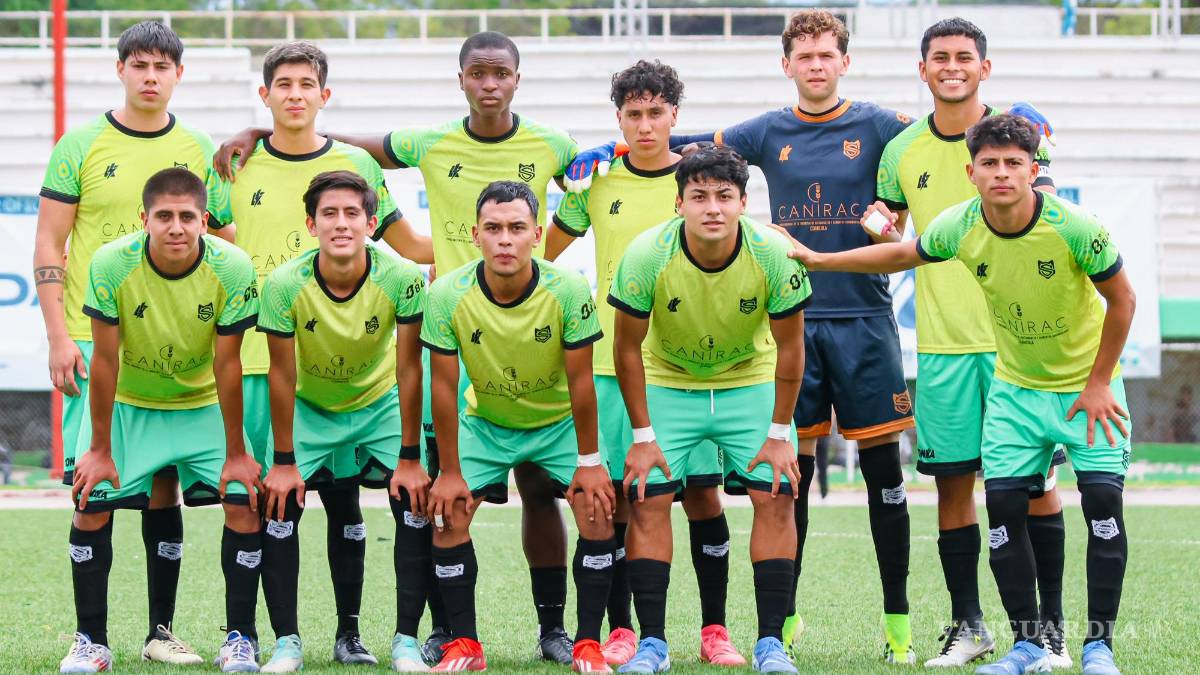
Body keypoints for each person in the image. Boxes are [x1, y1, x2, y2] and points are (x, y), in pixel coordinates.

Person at [215, 32, 582, 663]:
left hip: (504, 330)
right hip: (406, 341)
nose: (489, 83)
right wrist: (260, 131)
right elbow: (352, 146)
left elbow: (600, 178)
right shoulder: (425, 142)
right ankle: (419, 631)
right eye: (477, 73)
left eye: (500, 73)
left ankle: (532, 629)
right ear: (460, 79)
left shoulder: (555, 144)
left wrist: (526, 253)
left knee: (517, 487)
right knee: (414, 491)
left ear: (517, 79)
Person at [566, 11, 917, 661]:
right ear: (787, 64)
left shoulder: (876, 129)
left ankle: (851, 631)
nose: (816, 65)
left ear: (846, 61)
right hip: (726, 354)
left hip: (840, 329)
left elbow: (953, 135)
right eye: (804, 55)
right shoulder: (758, 138)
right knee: (708, 488)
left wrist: (1009, 133)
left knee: (840, 482)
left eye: (827, 54)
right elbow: (677, 140)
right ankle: (714, 635)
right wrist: (614, 149)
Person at [789, 114, 1135, 675]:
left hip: (1087, 390)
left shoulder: (1074, 226)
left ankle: (1098, 648)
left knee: (1101, 504)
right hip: (1016, 391)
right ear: (971, 173)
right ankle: (1028, 647)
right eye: (990, 164)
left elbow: (1123, 300)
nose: (1001, 173)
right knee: (1002, 508)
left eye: (1014, 163)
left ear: (1033, 171)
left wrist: (1098, 382)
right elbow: (901, 254)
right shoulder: (961, 224)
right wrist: (819, 259)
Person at [207, 40, 431, 668]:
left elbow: (409, 245)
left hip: (353, 365)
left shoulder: (355, 163)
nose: (296, 95)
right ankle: (254, 636)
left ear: (324, 94)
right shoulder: (233, 162)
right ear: (265, 94)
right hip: (266, 359)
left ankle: (364, 634)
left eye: (307, 84)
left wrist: (484, 259)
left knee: (347, 500)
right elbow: (214, 238)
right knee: (263, 502)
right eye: (284, 85)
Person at [872, 18, 1069, 667]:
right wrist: (879, 227)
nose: (951, 66)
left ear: (985, 67)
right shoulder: (901, 150)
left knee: (1035, 487)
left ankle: (1049, 630)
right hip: (944, 348)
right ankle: (969, 626)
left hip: (1021, 350)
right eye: (940, 57)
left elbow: (1046, 214)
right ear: (922, 69)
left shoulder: (1019, 135)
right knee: (953, 488)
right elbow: (893, 230)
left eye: (964, 57)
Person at [34, 21, 228, 667]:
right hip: (95, 341)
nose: (150, 76)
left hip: (178, 347)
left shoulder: (199, 147)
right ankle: (90, 639)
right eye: (139, 64)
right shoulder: (80, 145)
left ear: (179, 75)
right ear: (120, 69)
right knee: (94, 491)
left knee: (163, 486)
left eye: (161, 66)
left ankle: (159, 632)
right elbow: (49, 242)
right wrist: (58, 335)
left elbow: (223, 240)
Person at [545, 59, 744, 667]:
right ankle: (623, 630)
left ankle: (715, 630)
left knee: (703, 497)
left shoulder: (696, 181)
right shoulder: (596, 183)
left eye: (656, 112)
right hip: (614, 362)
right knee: (619, 499)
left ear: (675, 115)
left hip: (688, 368)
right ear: (618, 119)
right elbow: (543, 255)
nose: (645, 124)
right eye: (633, 114)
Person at [608, 146, 811, 674]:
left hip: (749, 380)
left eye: (724, 196)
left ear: (743, 202)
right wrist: (643, 436)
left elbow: (792, 348)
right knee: (647, 500)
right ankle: (653, 645)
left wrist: (779, 433)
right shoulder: (646, 254)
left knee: (777, 496)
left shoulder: (772, 253)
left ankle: (771, 645)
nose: (712, 208)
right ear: (679, 204)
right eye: (699, 196)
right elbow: (626, 349)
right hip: (669, 381)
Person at [62, 168, 264, 673]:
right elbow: (104, 361)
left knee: (243, 503)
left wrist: (237, 453)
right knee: (89, 504)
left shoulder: (233, 267)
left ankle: (239, 639)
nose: (176, 227)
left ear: (204, 221)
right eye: (165, 216)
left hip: (200, 405)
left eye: (187, 217)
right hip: (130, 405)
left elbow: (228, 364)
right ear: (144, 219)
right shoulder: (111, 263)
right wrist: (99, 448)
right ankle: (91, 642)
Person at [421, 181, 616, 673]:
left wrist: (590, 463)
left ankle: (583, 643)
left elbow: (582, 383)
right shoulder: (446, 294)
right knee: (448, 513)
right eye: (493, 228)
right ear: (475, 235)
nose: (504, 239)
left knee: (596, 511)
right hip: (488, 422)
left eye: (516, 228)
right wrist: (449, 471)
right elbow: (442, 386)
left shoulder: (567, 288)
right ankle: (466, 644)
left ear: (536, 235)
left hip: (557, 423)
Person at [255, 170, 428, 672]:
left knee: (415, 502)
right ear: (311, 225)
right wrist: (283, 460)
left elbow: (410, 368)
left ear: (371, 224)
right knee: (278, 505)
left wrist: (410, 457)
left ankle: (404, 642)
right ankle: (287, 643)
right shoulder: (284, 284)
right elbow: (281, 374)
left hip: (379, 404)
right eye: (329, 214)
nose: (341, 223)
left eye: (353, 213)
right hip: (311, 407)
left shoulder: (402, 277)